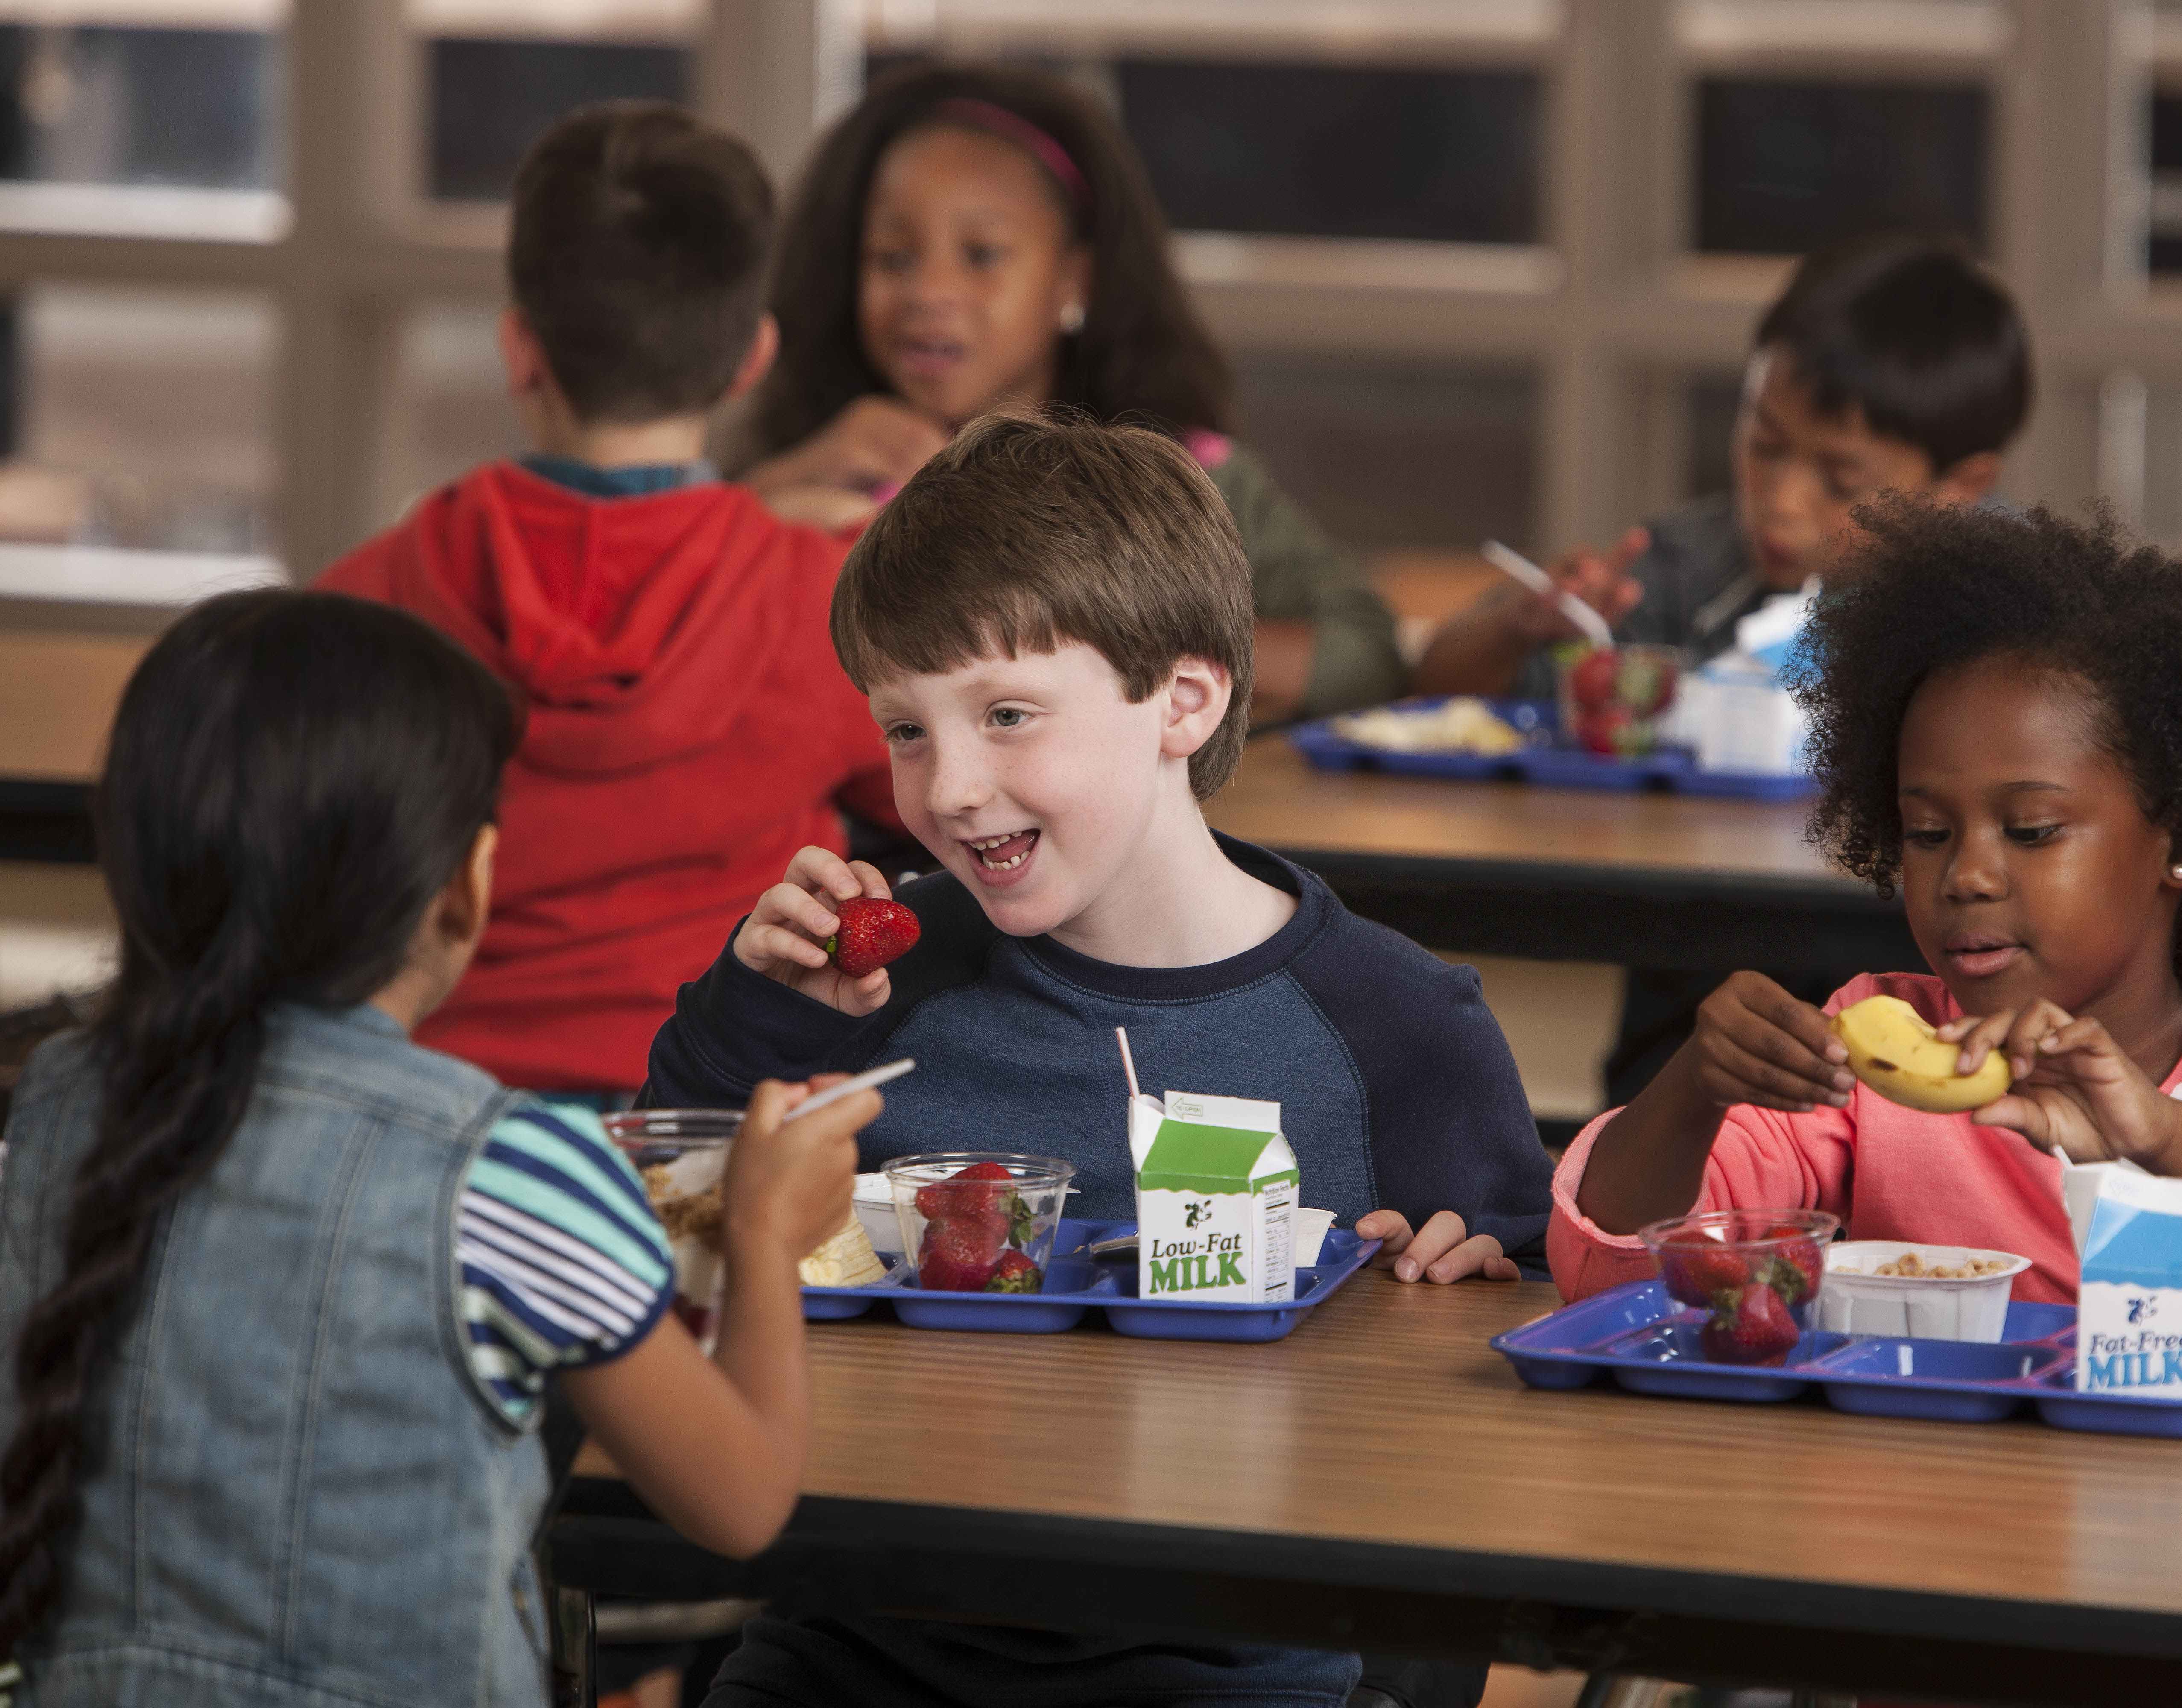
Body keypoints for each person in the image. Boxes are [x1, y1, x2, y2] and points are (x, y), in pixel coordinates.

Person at [646, 413, 1552, 1708]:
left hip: (1233, 1672)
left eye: (1007, 715)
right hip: (860, 1648)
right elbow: (665, 1238)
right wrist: (760, 1011)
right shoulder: (873, 988)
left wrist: (1478, 1282)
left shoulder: (1397, 1024)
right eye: (907, 730)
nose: (951, 787)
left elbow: (1514, 1368)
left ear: (1183, 701)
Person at [1546, 502, 2182, 1708]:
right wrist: (1694, 1085)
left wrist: (2169, 1142)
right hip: (1915, 1649)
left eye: (2033, 828)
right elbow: (1614, 1273)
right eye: (1927, 832)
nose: (1970, 875)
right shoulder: (1874, 1060)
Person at [0, 591, 877, 1705]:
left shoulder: (53, 1110)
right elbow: (740, 1502)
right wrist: (762, 1226)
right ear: (465, 886)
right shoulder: (513, 1165)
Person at [319, 101, 897, 1098]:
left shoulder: (364, 602)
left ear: (519, 349)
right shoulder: (827, 603)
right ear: (751, 358)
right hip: (715, 1132)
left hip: (431, 1128)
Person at [1417, 234, 2035, 1108]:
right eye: (1764, 443)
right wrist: (1521, 631)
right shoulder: (1687, 565)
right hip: (1692, 1030)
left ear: (1960, 486)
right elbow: (1436, 692)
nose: (1781, 499)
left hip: (1940, 1026)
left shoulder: (2023, 608)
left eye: (1839, 478)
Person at [728, 61, 1404, 722]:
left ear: (1076, 280)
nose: (928, 293)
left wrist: (1092, 632)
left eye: (982, 254)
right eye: (893, 258)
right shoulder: (812, 481)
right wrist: (762, 502)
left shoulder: (1195, 479)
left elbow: (1363, 655)